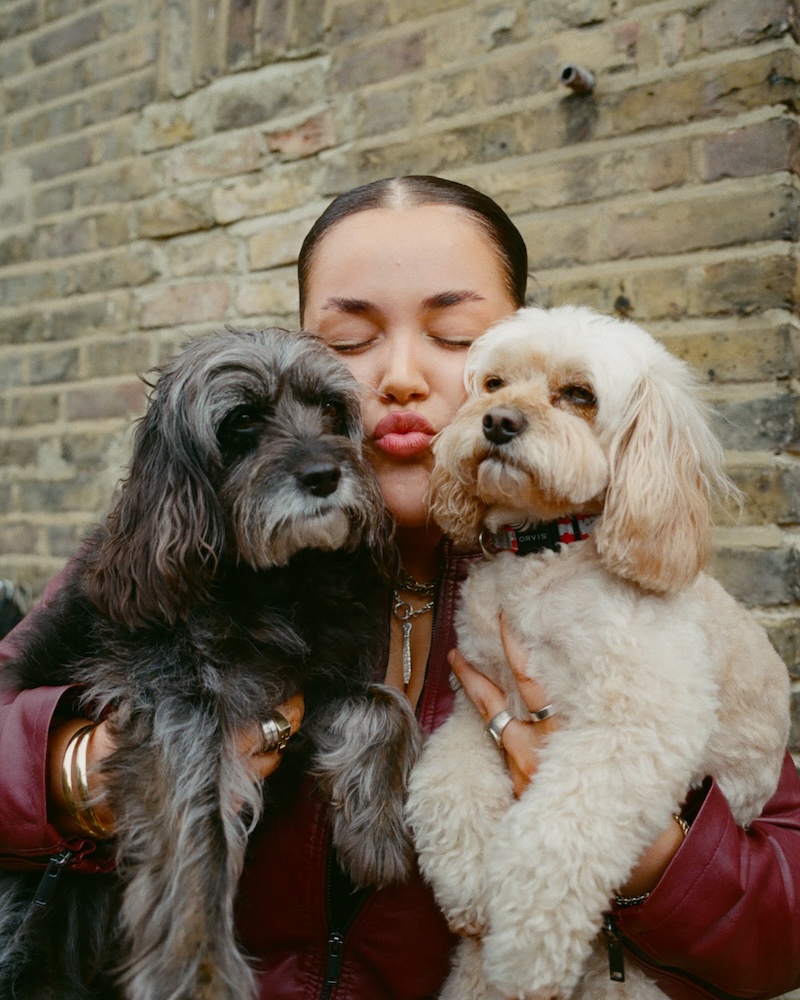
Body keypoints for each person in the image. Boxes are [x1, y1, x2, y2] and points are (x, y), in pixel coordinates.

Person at [1, 175, 799, 999]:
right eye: (347, 341)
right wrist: (84, 772)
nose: (401, 378)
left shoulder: (606, 589)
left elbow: (783, 930)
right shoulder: (189, 555)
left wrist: (639, 847)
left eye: (455, 336)